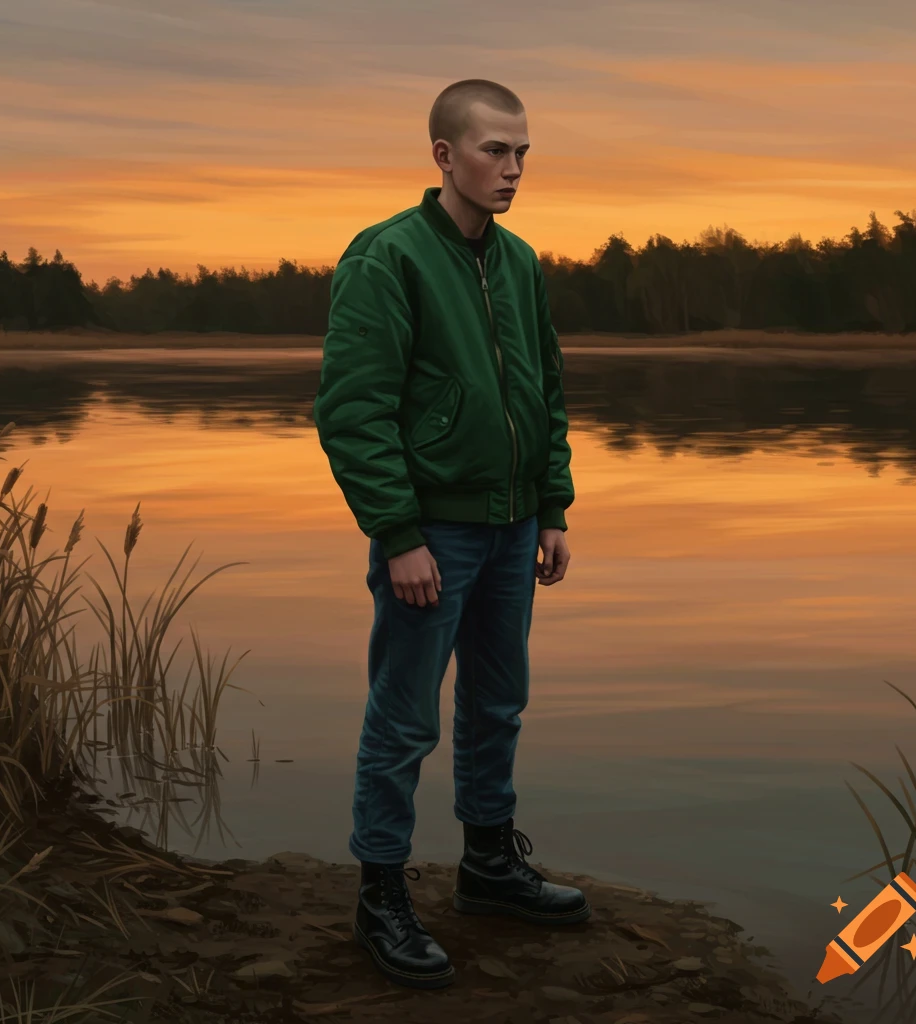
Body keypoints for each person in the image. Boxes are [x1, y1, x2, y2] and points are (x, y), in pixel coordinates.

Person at [313, 78, 591, 991]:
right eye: (493, 151)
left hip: (513, 528)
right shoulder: (387, 259)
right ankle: (381, 893)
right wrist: (397, 535)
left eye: (521, 154)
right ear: (443, 155)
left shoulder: (518, 262)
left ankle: (488, 867)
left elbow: (545, 393)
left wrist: (552, 507)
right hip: (431, 531)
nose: (511, 170)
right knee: (402, 721)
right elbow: (354, 413)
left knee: (497, 705)